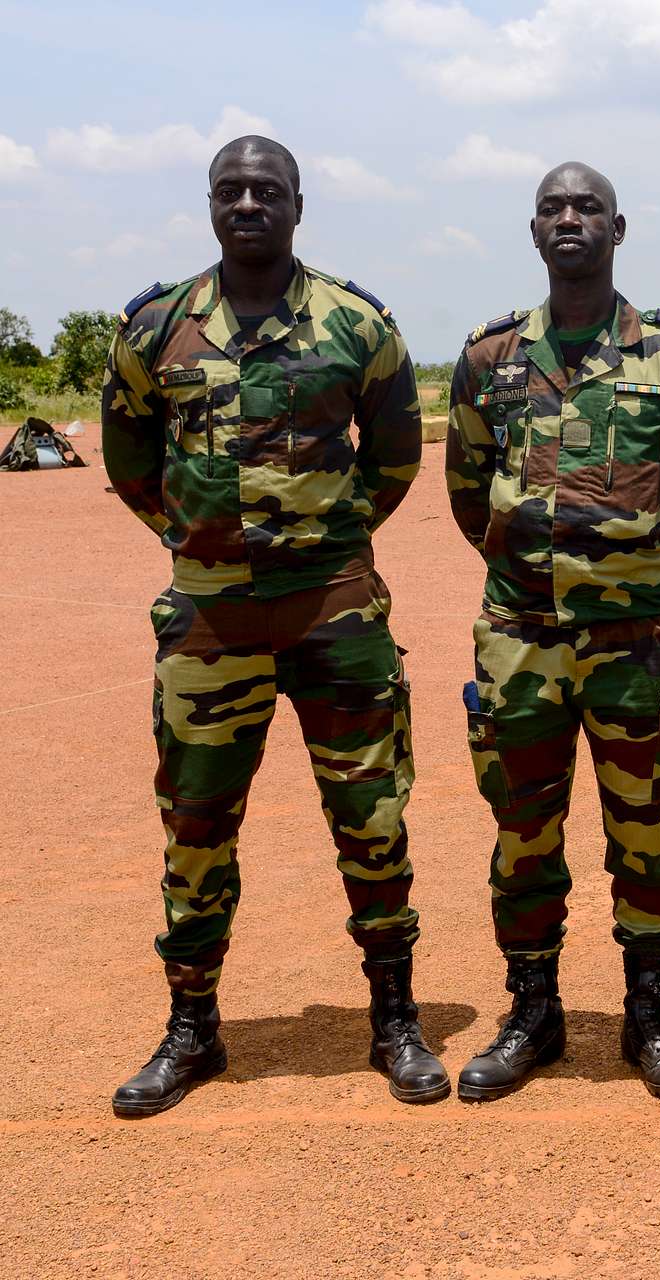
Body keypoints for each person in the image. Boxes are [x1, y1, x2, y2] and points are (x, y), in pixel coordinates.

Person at [103, 136, 445, 1115]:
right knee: (197, 823)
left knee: (371, 815)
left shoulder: (355, 323)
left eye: (267, 189)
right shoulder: (155, 326)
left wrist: (322, 541)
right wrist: (196, 537)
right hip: (210, 620)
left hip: (336, 613)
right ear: (210, 205)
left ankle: (394, 1016)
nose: (248, 201)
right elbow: (132, 460)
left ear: (299, 203)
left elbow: (392, 457)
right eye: (231, 190)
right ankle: (191, 1026)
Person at [447, 162, 660, 1102]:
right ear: (533, 231)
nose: (569, 219)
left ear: (620, 228)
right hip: (519, 638)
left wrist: (642, 581)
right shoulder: (490, 358)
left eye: (588, 208)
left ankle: (650, 1017)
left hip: (637, 644)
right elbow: (466, 490)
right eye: (552, 209)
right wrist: (529, 569)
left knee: (645, 830)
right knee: (522, 831)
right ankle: (533, 1014)